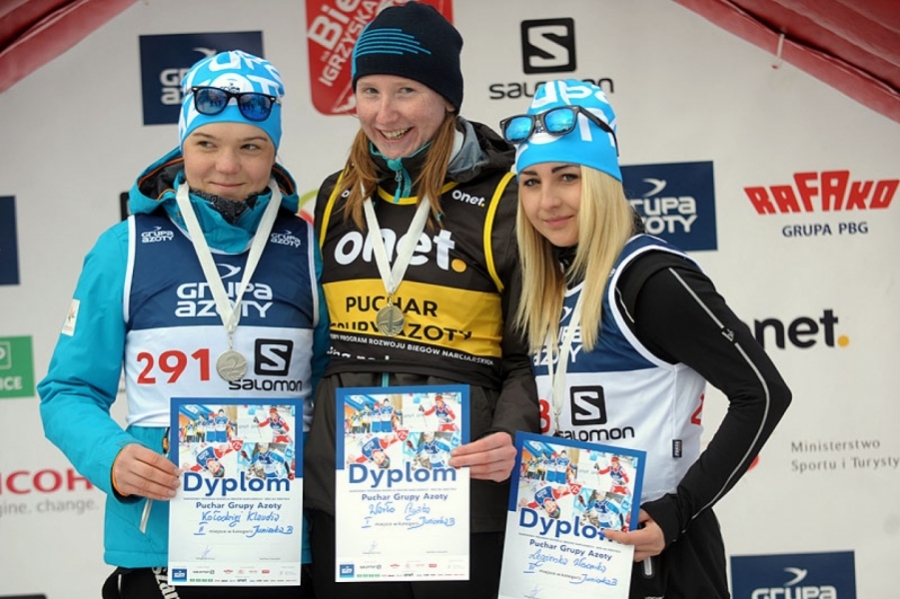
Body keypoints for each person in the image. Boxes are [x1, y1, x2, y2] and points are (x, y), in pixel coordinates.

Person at [37, 50, 328, 599]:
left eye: (251, 147)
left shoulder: (308, 248)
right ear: (182, 144)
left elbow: (333, 385)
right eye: (207, 144)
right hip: (162, 543)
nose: (227, 166)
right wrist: (111, 457)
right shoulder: (125, 247)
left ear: (273, 152)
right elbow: (67, 390)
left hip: (289, 544)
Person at [502, 78, 792, 598]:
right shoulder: (546, 285)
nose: (547, 201)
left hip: (657, 549)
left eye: (568, 177)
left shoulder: (650, 278)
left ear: (604, 182)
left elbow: (764, 393)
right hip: (564, 546)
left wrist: (677, 511)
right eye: (531, 181)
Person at [302, 3, 539, 598]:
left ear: (447, 99)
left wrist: (511, 434)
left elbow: (533, 353)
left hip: (463, 488)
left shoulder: (506, 197)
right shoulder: (337, 195)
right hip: (347, 492)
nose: (384, 114)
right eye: (370, 91)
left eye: (406, 90)